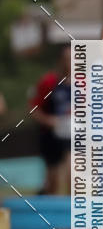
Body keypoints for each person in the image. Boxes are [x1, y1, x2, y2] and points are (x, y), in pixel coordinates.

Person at [30, 45, 72, 194]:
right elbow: (34, 109)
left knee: (72, 173)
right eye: (67, 59)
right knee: (52, 181)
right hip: (51, 136)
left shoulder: (84, 83)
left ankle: (71, 209)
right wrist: (50, 121)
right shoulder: (49, 82)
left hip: (74, 136)